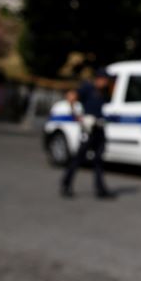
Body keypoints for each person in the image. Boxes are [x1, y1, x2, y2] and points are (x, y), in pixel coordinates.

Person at [60, 69, 113, 199]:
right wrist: (77, 116)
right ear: (98, 79)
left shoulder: (104, 92)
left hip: (99, 128)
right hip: (88, 129)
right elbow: (71, 96)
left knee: (99, 160)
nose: (106, 82)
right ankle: (66, 184)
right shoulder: (88, 88)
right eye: (104, 79)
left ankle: (100, 189)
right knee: (78, 158)